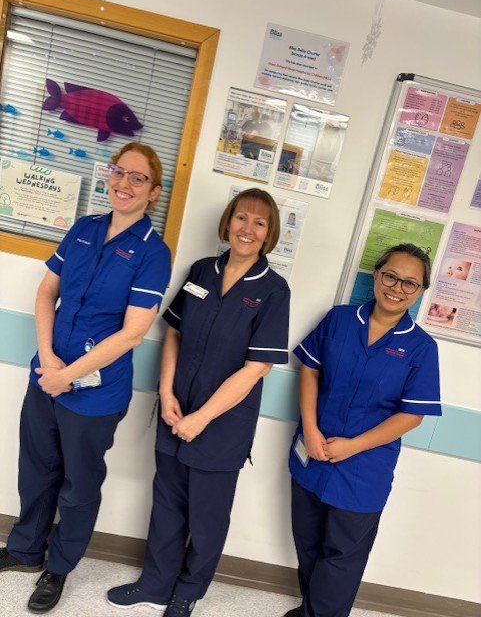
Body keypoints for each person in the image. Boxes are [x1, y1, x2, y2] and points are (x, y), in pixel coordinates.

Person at [0, 142, 171, 614]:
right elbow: (46, 291)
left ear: (154, 191)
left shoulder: (153, 253)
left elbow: (134, 332)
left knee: (78, 484)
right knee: (36, 467)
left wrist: (68, 376)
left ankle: (58, 566)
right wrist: (50, 360)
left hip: (95, 393)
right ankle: (24, 548)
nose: (124, 183)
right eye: (119, 172)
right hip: (48, 372)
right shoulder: (83, 229)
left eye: (138, 177)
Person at [108, 188, 290, 616]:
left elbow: (257, 368)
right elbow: (173, 331)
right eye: (241, 218)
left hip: (222, 424)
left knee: (207, 518)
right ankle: (155, 583)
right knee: (167, 503)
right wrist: (166, 392)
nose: (248, 228)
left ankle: (188, 592)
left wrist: (202, 418)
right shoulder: (201, 271)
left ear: (269, 234)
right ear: (227, 222)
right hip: (175, 411)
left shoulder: (273, 290)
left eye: (259, 222)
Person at [285, 243, 442, 617]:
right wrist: (309, 427)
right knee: (308, 543)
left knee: (342, 556)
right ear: (376, 274)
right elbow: (309, 369)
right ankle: (312, 610)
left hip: (363, 469)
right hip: (312, 451)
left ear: (420, 291)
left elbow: (412, 415)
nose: (397, 288)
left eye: (410, 283)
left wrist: (352, 447)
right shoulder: (339, 320)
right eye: (391, 276)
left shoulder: (421, 348)